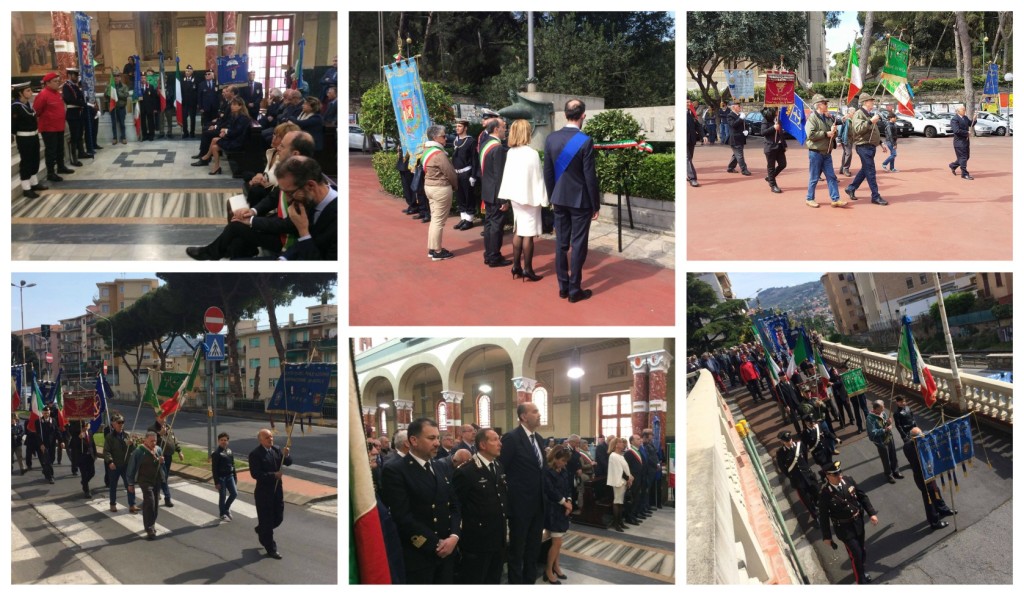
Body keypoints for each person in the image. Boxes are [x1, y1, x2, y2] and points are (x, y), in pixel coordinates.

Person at [186, 130, 314, 260]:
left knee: (237, 226)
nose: (278, 148)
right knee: (238, 240)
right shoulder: (292, 171)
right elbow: (273, 197)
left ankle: (211, 253)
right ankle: (228, 256)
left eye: (282, 146)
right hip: (278, 225)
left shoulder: (304, 183)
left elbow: (290, 225)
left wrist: (252, 221)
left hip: (286, 239)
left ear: (295, 154)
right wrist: (252, 211)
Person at [380, 417, 460, 583]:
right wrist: (436, 544)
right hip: (420, 555)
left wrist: (454, 536)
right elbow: (402, 517)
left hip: (448, 551)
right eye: (431, 438)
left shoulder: (439, 467)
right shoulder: (396, 470)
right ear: (413, 440)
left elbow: (454, 505)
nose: (437, 443)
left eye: (437, 437)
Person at [543, 98, 601, 303]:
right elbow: (589, 177)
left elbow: (548, 173)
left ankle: (563, 287)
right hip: (580, 201)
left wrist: (552, 196)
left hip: (558, 199)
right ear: (583, 115)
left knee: (561, 244)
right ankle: (575, 289)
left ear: (565, 114)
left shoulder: (551, 139)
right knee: (578, 245)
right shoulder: (585, 140)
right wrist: (596, 204)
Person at [452, 428, 508, 584]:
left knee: (494, 579)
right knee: (475, 581)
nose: (500, 443)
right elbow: (456, 507)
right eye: (495, 439)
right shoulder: (466, 472)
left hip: (498, 538)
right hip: (477, 542)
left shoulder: (498, 466)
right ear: (483, 444)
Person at [500, 402, 546, 584]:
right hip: (519, 506)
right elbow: (501, 469)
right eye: (535, 412)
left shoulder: (539, 439)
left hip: (538, 505)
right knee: (517, 550)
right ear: (524, 417)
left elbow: (542, 471)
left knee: (533, 549)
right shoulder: (511, 438)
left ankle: (529, 582)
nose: (539, 414)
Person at [499, 119, 549, 281]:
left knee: (519, 230)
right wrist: (544, 199)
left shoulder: (511, 152)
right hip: (529, 197)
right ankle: (527, 269)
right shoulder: (531, 153)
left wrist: (505, 197)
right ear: (526, 133)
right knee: (528, 234)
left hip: (515, 197)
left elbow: (507, 176)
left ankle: (516, 266)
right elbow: (538, 178)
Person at [818, 461, 879, 584]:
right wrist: (827, 536)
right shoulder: (825, 494)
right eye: (835, 474)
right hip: (844, 530)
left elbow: (862, 497)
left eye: (840, 472)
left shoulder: (848, 480)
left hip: (858, 523)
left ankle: (861, 570)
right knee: (856, 554)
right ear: (828, 476)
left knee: (861, 550)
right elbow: (824, 517)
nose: (839, 476)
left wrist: (871, 513)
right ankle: (860, 581)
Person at [273, 155, 338, 261]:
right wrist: (282, 259)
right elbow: (299, 245)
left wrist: (303, 231)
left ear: (311, 186)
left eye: (289, 193)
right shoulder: (310, 200)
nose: (288, 200)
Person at [248, 428, 292, 558]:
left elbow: (288, 462)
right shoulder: (255, 454)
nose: (270, 439)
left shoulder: (276, 450)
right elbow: (255, 474)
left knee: (278, 518)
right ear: (260, 440)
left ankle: (262, 529)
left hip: (277, 491)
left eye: (271, 436)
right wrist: (274, 475)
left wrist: (287, 454)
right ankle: (271, 548)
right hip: (264, 493)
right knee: (267, 522)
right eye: (267, 437)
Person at [902, 427, 956, 530]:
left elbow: (927, 433)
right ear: (915, 438)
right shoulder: (916, 448)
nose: (923, 436)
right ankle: (934, 522)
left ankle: (942, 509)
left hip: (928, 474)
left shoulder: (908, 445)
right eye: (920, 435)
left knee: (936, 491)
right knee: (929, 499)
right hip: (923, 476)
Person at [420, 124, 459, 261]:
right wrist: (455, 186)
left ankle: (433, 248)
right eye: (443, 136)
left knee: (435, 219)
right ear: (435, 137)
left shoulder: (426, 150)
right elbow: (450, 173)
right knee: (438, 221)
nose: (446, 138)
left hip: (429, 187)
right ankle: (437, 251)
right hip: (441, 188)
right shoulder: (438, 153)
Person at [479, 118, 512, 267]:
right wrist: (504, 199)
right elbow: (500, 175)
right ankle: (494, 256)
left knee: (489, 225)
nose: (506, 130)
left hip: (487, 190)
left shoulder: (486, 144)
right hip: (496, 193)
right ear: (496, 129)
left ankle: (489, 253)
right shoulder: (497, 148)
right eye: (504, 127)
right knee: (496, 227)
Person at [845, 94, 889, 205]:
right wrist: (871, 121)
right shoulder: (859, 114)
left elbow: (873, 131)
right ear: (865, 102)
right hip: (863, 146)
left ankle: (851, 188)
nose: (873, 103)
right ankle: (875, 196)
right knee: (871, 171)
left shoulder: (868, 114)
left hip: (870, 146)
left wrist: (880, 143)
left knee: (865, 170)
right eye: (871, 101)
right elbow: (858, 129)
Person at [245, 121, 301, 207]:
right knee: (247, 174)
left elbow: (279, 186)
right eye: (274, 134)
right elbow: (267, 174)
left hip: (274, 196)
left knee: (255, 191)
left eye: (278, 136)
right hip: (265, 185)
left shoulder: (288, 161)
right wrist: (259, 176)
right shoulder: (271, 152)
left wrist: (261, 181)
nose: (273, 138)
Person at [805, 94, 847, 208]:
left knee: (831, 176)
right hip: (816, 152)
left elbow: (833, 133)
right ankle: (809, 198)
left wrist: (834, 131)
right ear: (818, 105)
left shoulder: (828, 118)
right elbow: (810, 134)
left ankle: (835, 199)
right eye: (824, 103)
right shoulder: (812, 118)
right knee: (814, 177)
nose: (826, 105)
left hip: (826, 152)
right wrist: (825, 133)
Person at [194, 96, 251, 175]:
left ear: (240, 106)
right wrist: (224, 132)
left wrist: (225, 131)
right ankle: (216, 166)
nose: (232, 106)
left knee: (214, 140)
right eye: (232, 104)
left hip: (238, 142)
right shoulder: (234, 115)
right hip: (233, 138)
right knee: (214, 146)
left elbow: (236, 132)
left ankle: (206, 157)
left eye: (235, 105)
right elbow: (231, 128)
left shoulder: (243, 118)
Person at [34, 72, 74, 182]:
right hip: (49, 128)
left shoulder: (57, 93)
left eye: (58, 81)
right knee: (51, 151)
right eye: (55, 81)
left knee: (60, 149)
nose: (58, 83)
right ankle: (50, 173)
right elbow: (36, 111)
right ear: (47, 83)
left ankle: (61, 167)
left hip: (59, 126)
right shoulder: (43, 95)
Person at [542, 445, 573, 584]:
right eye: (562, 460)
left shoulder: (564, 469)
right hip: (552, 509)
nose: (564, 463)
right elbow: (550, 490)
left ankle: (556, 566)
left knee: (557, 542)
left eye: (566, 461)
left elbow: (568, 487)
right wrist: (563, 502)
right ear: (555, 458)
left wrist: (569, 501)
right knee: (557, 541)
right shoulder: (547, 471)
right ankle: (548, 570)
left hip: (562, 507)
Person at [12, 82, 48, 199]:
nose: (30, 92)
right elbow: (13, 124)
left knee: (35, 160)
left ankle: (34, 183)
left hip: (33, 136)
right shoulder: (15, 106)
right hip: (23, 138)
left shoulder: (27, 104)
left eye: (30, 90)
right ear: (20, 93)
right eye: (27, 91)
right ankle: (26, 188)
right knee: (26, 162)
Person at [126, 431, 165, 540]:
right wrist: (130, 483)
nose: (154, 443)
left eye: (155, 441)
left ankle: (151, 523)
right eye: (151, 441)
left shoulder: (158, 449)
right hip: (144, 480)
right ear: (145, 440)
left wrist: (162, 462)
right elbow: (131, 468)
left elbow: (161, 465)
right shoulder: (138, 452)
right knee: (150, 501)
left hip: (156, 480)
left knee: (155, 504)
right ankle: (149, 528)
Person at [775, 430, 819, 518]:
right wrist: (792, 477)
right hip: (798, 480)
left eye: (790, 439)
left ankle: (818, 507)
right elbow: (783, 469)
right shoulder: (780, 453)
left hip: (808, 475)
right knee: (806, 500)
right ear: (782, 442)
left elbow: (805, 458)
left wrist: (806, 469)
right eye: (787, 441)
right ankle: (815, 516)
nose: (790, 442)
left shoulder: (800, 445)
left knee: (816, 493)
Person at [104, 413, 138, 512]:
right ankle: (113, 504)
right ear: (113, 424)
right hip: (115, 465)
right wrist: (110, 462)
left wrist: (132, 444)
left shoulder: (127, 435)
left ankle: (132, 505)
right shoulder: (110, 437)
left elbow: (134, 450)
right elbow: (106, 451)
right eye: (119, 422)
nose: (121, 424)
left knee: (130, 485)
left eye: (122, 422)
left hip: (126, 465)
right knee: (113, 485)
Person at [149, 415, 184, 507]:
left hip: (168, 456)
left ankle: (155, 492)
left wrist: (179, 451)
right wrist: (159, 434)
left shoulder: (168, 427)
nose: (164, 419)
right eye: (162, 417)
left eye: (165, 417)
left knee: (163, 477)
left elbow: (174, 440)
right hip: (159, 456)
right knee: (163, 477)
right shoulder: (152, 429)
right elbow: (150, 442)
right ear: (157, 418)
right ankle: (167, 498)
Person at [866, 400, 903, 483]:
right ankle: (889, 475)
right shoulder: (870, 418)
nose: (883, 409)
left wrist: (889, 423)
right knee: (885, 458)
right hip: (881, 441)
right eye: (882, 408)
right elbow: (872, 432)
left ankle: (896, 471)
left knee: (893, 454)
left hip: (889, 437)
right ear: (876, 409)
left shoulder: (883, 413)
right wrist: (884, 430)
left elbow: (886, 423)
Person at [451, 119, 477, 230]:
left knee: (468, 197)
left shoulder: (470, 141)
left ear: (465, 128)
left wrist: (473, 175)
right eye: (456, 126)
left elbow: (475, 159)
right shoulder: (455, 140)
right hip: (457, 173)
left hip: (466, 173)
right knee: (460, 196)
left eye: (460, 126)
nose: (457, 128)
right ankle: (463, 218)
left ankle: (469, 220)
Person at [62, 67, 88, 164]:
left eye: (77, 75)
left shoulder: (75, 86)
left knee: (80, 134)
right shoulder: (66, 86)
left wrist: (82, 102)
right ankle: (74, 158)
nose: (76, 77)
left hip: (78, 112)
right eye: (74, 75)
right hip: (72, 114)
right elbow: (69, 99)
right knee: (74, 135)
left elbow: (80, 97)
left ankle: (81, 152)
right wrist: (82, 103)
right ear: (69, 75)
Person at [606, 437, 632, 532]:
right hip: (618, 482)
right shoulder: (613, 456)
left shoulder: (620, 455)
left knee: (621, 503)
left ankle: (620, 522)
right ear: (616, 445)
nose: (623, 444)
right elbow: (619, 471)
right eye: (621, 442)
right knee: (617, 502)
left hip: (623, 481)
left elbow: (625, 468)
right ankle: (616, 524)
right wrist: (628, 478)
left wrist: (630, 476)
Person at [211, 432, 238, 521]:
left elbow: (233, 465)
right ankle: (222, 513)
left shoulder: (230, 451)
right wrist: (216, 482)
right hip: (221, 478)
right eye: (221, 440)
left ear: (228, 442)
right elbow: (214, 469)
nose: (223, 442)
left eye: (225, 440)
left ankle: (226, 508)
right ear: (218, 441)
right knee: (222, 496)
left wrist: (235, 477)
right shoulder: (216, 453)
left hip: (230, 477)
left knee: (234, 493)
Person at [761, 106, 787, 193]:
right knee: (771, 167)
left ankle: (770, 177)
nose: (778, 111)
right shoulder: (766, 120)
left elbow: (781, 134)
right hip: (770, 147)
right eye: (776, 110)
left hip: (779, 146)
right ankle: (773, 185)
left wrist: (784, 144)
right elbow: (763, 132)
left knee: (783, 164)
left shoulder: (778, 120)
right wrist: (773, 128)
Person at [949, 105, 975, 180]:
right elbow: (956, 131)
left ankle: (953, 165)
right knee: (963, 158)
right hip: (959, 142)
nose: (964, 111)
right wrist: (966, 132)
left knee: (966, 157)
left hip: (966, 141)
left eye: (964, 109)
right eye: (963, 110)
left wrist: (975, 119)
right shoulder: (954, 119)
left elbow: (971, 124)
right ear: (958, 111)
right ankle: (964, 174)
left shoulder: (965, 117)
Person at [71, 423, 97, 498]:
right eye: (84, 426)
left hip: (90, 456)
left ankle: (84, 482)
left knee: (92, 473)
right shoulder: (77, 434)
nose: (86, 428)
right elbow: (73, 445)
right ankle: (86, 491)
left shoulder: (90, 432)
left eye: (87, 426)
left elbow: (93, 444)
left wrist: (95, 454)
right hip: (82, 457)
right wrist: (79, 438)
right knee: (84, 474)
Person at [725, 101, 751, 175]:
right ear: (733, 107)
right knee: (740, 155)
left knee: (736, 154)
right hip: (735, 138)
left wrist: (746, 130)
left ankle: (730, 167)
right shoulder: (730, 115)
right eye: (738, 106)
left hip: (741, 137)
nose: (740, 107)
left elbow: (745, 124)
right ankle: (744, 169)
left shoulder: (740, 115)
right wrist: (740, 118)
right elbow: (733, 124)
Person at [105, 71, 131, 145]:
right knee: (114, 124)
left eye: (117, 76)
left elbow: (126, 95)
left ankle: (123, 138)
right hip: (113, 108)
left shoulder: (124, 86)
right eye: (114, 76)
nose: (116, 77)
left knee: (122, 123)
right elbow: (106, 95)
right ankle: (114, 138)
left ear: (120, 78)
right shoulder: (109, 86)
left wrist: (117, 93)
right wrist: (110, 93)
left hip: (121, 108)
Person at [36, 405, 60, 484]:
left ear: (50, 412)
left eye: (48, 412)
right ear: (42, 413)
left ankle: (45, 470)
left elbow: (57, 431)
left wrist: (61, 441)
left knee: (52, 459)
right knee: (48, 460)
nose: (46, 414)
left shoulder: (53, 420)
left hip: (52, 444)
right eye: (45, 413)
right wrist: (41, 444)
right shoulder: (38, 422)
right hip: (44, 445)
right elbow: (38, 435)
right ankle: (51, 477)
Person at [139, 70, 160, 141]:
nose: (143, 79)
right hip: (141, 108)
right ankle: (144, 135)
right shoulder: (138, 88)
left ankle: (151, 134)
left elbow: (154, 98)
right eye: (142, 78)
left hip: (149, 108)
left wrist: (154, 108)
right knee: (143, 122)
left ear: (146, 78)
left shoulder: (150, 86)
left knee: (150, 121)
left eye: (144, 78)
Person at [180, 64, 199, 138]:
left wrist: (197, 103)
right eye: (186, 71)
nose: (187, 72)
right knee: (184, 119)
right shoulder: (182, 80)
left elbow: (197, 92)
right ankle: (185, 132)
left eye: (189, 71)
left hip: (192, 103)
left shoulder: (196, 80)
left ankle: (192, 132)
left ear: (192, 72)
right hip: (184, 103)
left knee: (192, 118)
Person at [686, 100, 701, 187]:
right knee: (687, 158)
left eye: (689, 102)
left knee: (689, 158)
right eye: (687, 102)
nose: (689, 104)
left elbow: (697, 125)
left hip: (691, 139)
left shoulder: (691, 113)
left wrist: (703, 136)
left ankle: (687, 174)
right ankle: (692, 178)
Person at [837, 107, 855, 176]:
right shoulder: (845, 120)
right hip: (845, 139)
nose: (854, 114)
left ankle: (842, 169)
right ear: (849, 113)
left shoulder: (852, 120)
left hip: (851, 139)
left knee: (845, 153)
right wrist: (838, 139)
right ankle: (846, 169)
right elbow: (840, 129)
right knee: (849, 153)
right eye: (853, 113)